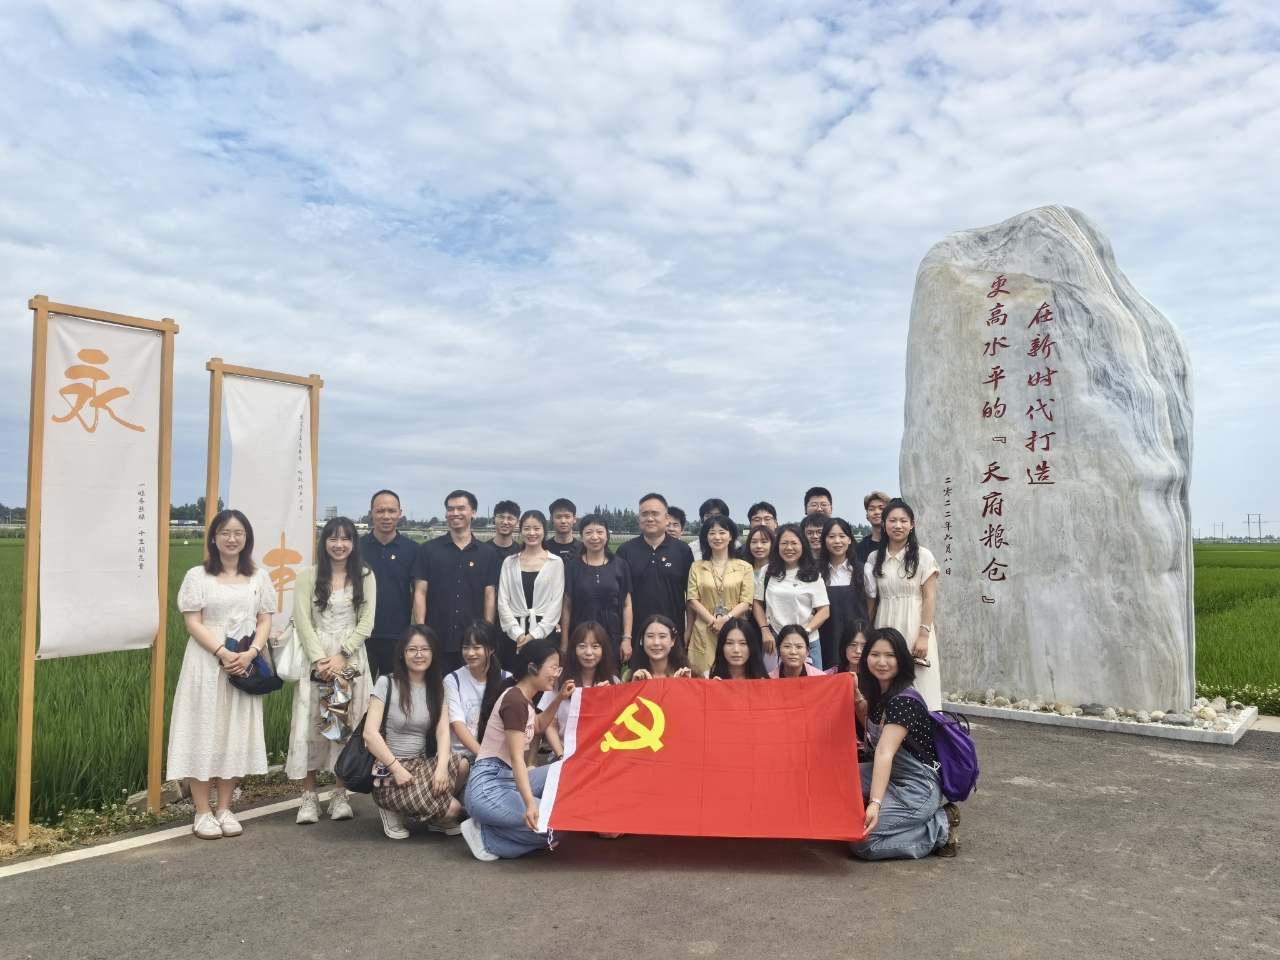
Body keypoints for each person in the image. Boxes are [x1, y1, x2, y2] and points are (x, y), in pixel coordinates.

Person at [168, 509, 277, 840]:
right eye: (225, 532)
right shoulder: (197, 576)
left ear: (247, 538)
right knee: (203, 730)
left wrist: (251, 653)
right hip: (206, 663)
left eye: (239, 532)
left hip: (244, 661)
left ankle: (225, 808)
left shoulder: (259, 577)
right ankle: (202, 812)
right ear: (213, 538)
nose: (232, 538)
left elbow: (265, 619)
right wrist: (223, 652)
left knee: (234, 730)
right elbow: (193, 622)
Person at [288, 516, 377, 824]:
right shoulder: (308, 575)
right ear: (323, 542)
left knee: (342, 725)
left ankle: (340, 794)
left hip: (349, 660)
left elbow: (367, 622)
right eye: (332, 538)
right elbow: (303, 620)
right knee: (313, 722)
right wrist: (320, 659)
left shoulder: (365, 575)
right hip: (316, 659)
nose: (339, 545)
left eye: (345, 539)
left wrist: (342, 656)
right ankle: (309, 797)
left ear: (354, 543)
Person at [461, 639, 574, 860]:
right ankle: (485, 836)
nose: (556, 674)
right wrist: (530, 804)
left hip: (506, 779)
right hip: (488, 787)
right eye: (553, 667)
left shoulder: (524, 698)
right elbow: (517, 759)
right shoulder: (515, 701)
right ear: (533, 667)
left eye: (558, 669)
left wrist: (559, 698)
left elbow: (538, 726)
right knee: (557, 825)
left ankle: (498, 825)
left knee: (564, 769)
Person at [851, 627, 957, 860]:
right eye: (875, 654)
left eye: (890, 655)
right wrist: (856, 694)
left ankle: (940, 826)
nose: (881, 662)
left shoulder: (903, 702)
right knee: (840, 782)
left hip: (916, 787)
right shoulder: (880, 691)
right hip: (891, 777)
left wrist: (875, 803)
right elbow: (869, 717)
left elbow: (884, 752)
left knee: (863, 844)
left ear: (901, 659)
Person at [364, 626, 469, 840]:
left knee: (462, 765)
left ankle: (433, 816)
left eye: (425, 649)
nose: (419, 655)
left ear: (433, 653)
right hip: (388, 771)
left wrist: (441, 767)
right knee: (453, 809)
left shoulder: (439, 688)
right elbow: (370, 734)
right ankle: (392, 808)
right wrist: (396, 769)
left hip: (418, 766)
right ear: (402, 653)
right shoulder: (387, 683)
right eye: (412, 649)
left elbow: (442, 731)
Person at [412, 490, 500, 675]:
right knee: (435, 688)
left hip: (472, 642)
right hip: (436, 636)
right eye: (450, 509)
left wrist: (486, 633)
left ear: (473, 512)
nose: (455, 513)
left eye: (461, 508)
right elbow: (420, 592)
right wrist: (421, 631)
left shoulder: (487, 554)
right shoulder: (428, 550)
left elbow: (489, 596)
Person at [866, 498, 942, 710]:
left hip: (913, 625)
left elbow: (929, 597)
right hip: (884, 623)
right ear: (884, 524)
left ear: (912, 524)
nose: (897, 525)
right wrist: (868, 632)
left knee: (920, 680)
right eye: (892, 520)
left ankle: (926, 725)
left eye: (903, 521)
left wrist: (923, 635)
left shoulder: (923, 556)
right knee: (885, 677)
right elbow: (873, 599)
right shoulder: (874, 558)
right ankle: (885, 726)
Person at [616, 493, 694, 643]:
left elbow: (691, 595)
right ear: (639, 519)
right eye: (644, 514)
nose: (650, 518)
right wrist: (626, 636)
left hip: (673, 632)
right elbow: (622, 598)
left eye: (655, 514)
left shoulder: (682, 550)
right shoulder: (625, 551)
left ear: (666, 518)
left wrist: (689, 629)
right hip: (637, 633)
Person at [685, 515, 755, 676]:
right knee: (703, 677)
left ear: (730, 536)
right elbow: (693, 599)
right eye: (712, 533)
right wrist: (713, 622)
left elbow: (746, 601)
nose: (717, 537)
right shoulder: (696, 567)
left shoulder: (744, 567)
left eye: (722, 532)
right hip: (705, 629)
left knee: (735, 675)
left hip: (735, 628)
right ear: (706, 537)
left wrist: (725, 620)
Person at [361, 490, 419, 680]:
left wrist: (419, 630)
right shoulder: (356, 548)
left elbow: (419, 592)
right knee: (358, 692)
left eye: (392, 511)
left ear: (400, 513)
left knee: (394, 692)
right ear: (370, 514)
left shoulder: (413, 550)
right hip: (360, 636)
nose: (386, 516)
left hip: (398, 635)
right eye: (380, 511)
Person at [754, 524, 830, 669]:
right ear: (777, 546)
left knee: (811, 682)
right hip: (774, 640)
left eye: (794, 543)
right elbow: (757, 603)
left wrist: (803, 634)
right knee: (773, 682)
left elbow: (824, 611)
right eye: (784, 543)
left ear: (803, 546)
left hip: (807, 641)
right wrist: (764, 630)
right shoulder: (768, 571)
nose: (789, 548)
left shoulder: (813, 574)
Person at [537, 621, 621, 751]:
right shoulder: (559, 682)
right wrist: (561, 756)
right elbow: (550, 726)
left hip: (601, 754)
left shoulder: (613, 682)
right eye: (582, 646)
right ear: (574, 649)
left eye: (595, 646)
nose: (588, 652)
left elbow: (618, 726)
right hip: (565, 754)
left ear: (603, 649)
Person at [561, 513, 634, 663]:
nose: (594, 537)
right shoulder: (572, 566)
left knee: (610, 673)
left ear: (607, 535)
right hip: (580, 629)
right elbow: (566, 606)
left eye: (600, 532)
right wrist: (564, 642)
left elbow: (627, 605)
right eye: (589, 532)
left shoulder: (620, 565)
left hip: (611, 631)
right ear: (582, 536)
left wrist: (626, 639)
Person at [497, 509, 564, 669]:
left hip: (544, 634)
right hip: (514, 635)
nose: (531, 533)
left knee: (542, 679)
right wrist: (518, 634)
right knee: (513, 678)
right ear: (520, 531)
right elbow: (503, 602)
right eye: (526, 528)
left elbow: (556, 604)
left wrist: (534, 635)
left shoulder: (555, 562)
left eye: (536, 528)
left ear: (544, 531)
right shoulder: (509, 562)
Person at [444, 621, 511, 758]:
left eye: (476, 647)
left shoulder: (507, 680)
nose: (470, 653)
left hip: (498, 755)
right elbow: (457, 723)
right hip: (461, 756)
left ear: (491, 649)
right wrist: (485, 758)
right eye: (465, 647)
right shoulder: (452, 680)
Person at [818, 517, 871, 671]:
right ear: (824, 541)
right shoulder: (816, 573)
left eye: (842, 536)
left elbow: (871, 604)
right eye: (831, 536)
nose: (837, 541)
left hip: (858, 642)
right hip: (827, 639)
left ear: (850, 540)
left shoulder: (864, 570)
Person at [743, 524, 777, 671]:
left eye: (764, 542)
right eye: (754, 542)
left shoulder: (778, 572)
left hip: (770, 627)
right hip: (746, 624)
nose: (759, 546)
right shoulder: (742, 569)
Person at [627, 614, 694, 680]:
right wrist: (634, 685)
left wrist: (687, 682)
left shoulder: (685, 674)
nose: (656, 643)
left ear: (673, 641)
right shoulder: (631, 676)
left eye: (662, 636)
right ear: (642, 640)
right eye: (650, 636)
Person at [855, 491, 891, 566]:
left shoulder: (896, 544)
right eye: (871, 509)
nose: (876, 512)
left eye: (881, 508)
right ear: (867, 516)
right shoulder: (859, 549)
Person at [545, 498, 583, 564]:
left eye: (567, 517)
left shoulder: (583, 548)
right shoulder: (544, 548)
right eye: (558, 517)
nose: (563, 521)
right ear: (552, 518)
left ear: (574, 519)